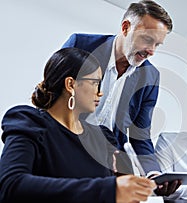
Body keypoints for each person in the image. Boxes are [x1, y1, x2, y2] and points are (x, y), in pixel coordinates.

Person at [0, 47, 156, 203]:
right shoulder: (31, 123)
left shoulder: (102, 138)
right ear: (71, 84)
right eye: (95, 83)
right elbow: (11, 185)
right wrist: (109, 189)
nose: (100, 92)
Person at [61, 0, 172, 176]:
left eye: (157, 45)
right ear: (126, 27)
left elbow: (140, 135)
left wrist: (154, 174)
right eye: (147, 40)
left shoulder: (150, 76)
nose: (151, 51)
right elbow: (52, 99)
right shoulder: (81, 45)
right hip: (66, 148)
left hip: (110, 163)